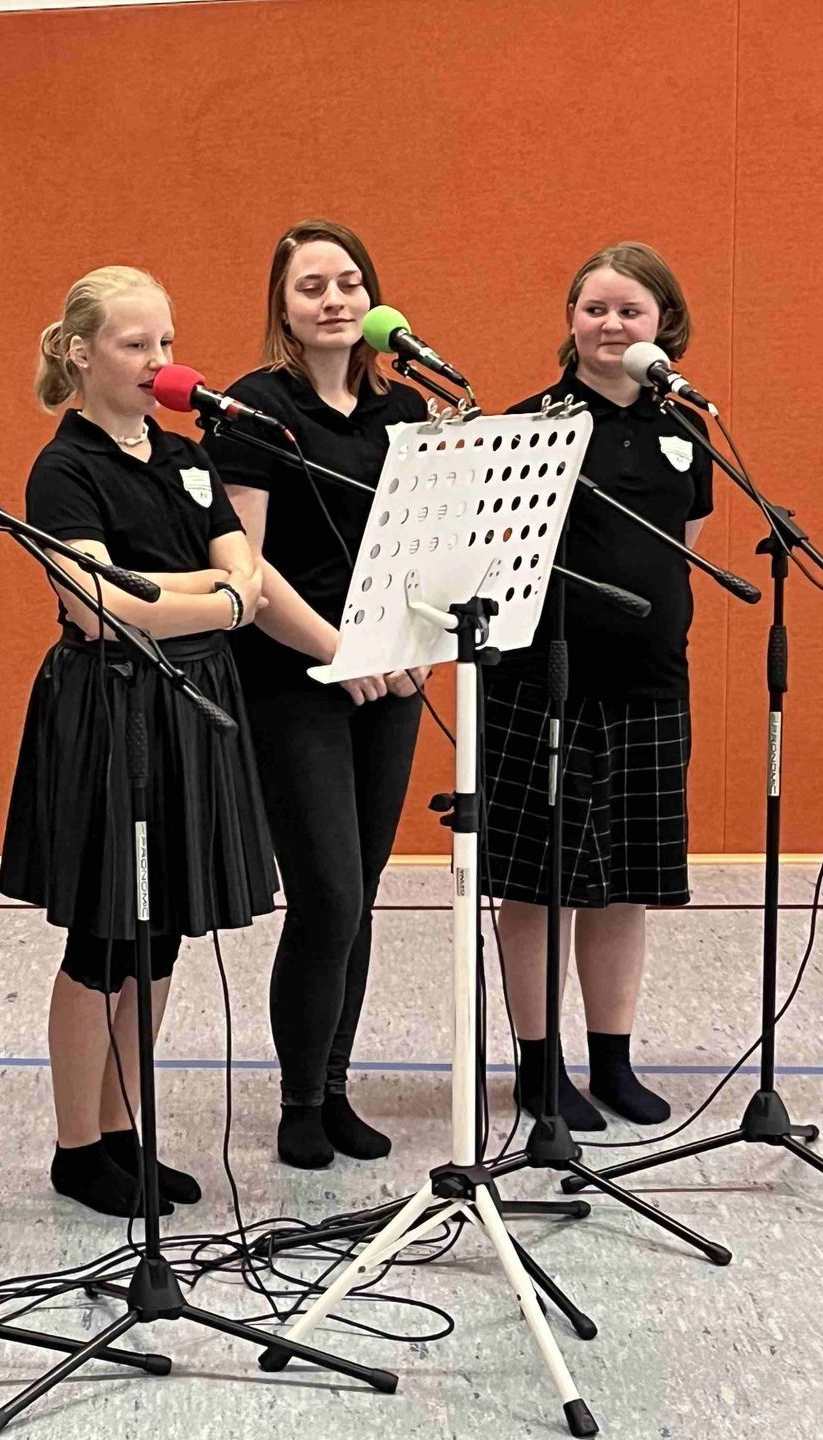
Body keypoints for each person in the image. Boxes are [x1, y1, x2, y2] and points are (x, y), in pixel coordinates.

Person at [0, 266, 275, 1218]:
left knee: (160, 938)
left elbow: (248, 576)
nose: (161, 361)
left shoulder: (187, 456)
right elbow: (98, 608)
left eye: (166, 341)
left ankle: (125, 1130)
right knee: (106, 934)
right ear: (80, 354)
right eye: (136, 344)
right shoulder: (63, 470)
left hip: (190, 701)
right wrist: (214, 598)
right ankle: (77, 1147)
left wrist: (188, 594)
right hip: (112, 710)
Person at [200, 220, 431, 1170]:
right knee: (327, 894)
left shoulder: (405, 406)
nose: (334, 300)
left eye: (349, 283)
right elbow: (246, 567)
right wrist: (340, 648)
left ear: (373, 297)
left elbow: (424, 542)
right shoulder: (253, 408)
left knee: (361, 894)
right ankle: (299, 1100)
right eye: (311, 287)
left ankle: (335, 1088)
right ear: (283, 307)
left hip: (391, 677)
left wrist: (416, 644)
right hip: (295, 675)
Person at [486, 242, 712, 1130]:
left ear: (664, 324)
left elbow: (684, 548)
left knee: (627, 881)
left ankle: (612, 1060)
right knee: (539, 883)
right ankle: (539, 1068)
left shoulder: (686, 429)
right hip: (544, 687)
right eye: (595, 309)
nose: (611, 325)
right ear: (571, 321)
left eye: (630, 310)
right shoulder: (530, 426)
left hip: (651, 687)